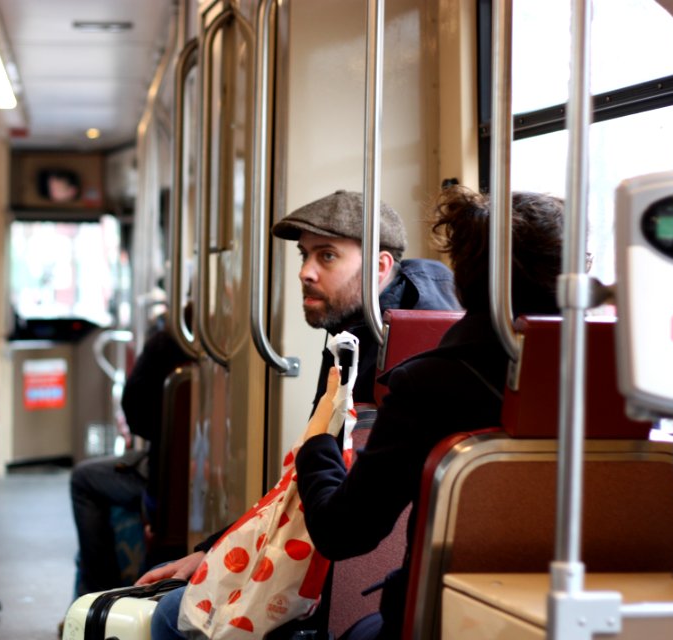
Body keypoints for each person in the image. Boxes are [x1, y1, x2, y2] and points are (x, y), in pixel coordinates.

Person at [138, 189, 461, 639]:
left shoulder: (377, 362)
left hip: (343, 575)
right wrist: (214, 551)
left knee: (173, 614)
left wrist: (219, 562)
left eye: (327, 257)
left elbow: (325, 503)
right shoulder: (367, 330)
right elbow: (298, 486)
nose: (306, 273)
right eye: (304, 256)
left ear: (381, 267)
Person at [296, 186, 565, 638]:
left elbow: (343, 532)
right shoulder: (618, 380)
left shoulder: (429, 384)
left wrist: (318, 442)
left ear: (464, 279)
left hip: (441, 619)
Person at [70, 309, 194, 597]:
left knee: (84, 479)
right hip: (194, 483)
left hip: (163, 483)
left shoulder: (167, 342)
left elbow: (137, 419)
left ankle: (100, 593)